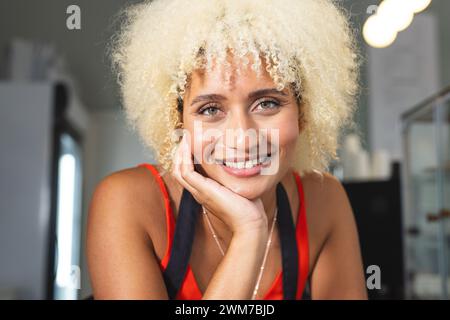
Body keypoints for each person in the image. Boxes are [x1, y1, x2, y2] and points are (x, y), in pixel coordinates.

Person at [86, 0, 368, 300]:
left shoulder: (323, 200)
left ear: (303, 112)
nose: (243, 139)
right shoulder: (129, 202)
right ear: (177, 121)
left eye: (267, 103)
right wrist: (250, 233)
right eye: (210, 109)